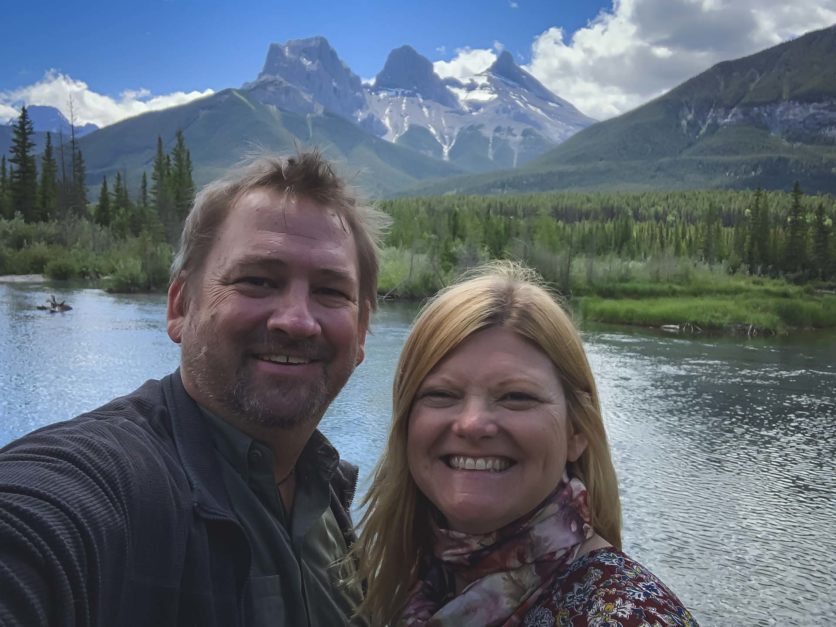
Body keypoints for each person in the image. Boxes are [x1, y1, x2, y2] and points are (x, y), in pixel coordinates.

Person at [0, 151, 388, 626]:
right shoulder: (111, 481)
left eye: (331, 291)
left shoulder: (324, 492)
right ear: (180, 306)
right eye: (258, 281)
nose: (297, 321)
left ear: (363, 330)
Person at [353, 262, 699, 626]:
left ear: (576, 431)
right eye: (441, 394)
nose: (472, 424)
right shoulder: (415, 583)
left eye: (516, 397)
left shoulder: (628, 616)